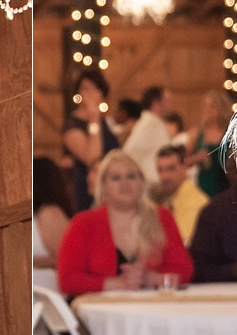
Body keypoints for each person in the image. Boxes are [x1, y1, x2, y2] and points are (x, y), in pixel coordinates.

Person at [57, 149, 193, 297]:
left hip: (153, 309)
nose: (124, 183)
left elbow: (185, 270)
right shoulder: (83, 223)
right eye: (116, 178)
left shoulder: (162, 216)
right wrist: (115, 284)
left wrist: (153, 278)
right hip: (99, 314)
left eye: (131, 176)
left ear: (142, 182)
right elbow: (67, 280)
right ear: (103, 186)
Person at [62, 68, 119, 213]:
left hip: (112, 182)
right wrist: (93, 119)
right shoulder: (73, 124)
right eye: (86, 88)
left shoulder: (104, 120)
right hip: (88, 186)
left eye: (95, 88)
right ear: (79, 92)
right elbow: (92, 158)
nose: (91, 93)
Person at [189, 166, 237, 283]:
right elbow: (197, 269)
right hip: (222, 291)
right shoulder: (213, 212)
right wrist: (233, 270)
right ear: (228, 172)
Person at [151, 145, 209, 245]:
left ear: (184, 167)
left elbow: (183, 244)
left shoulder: (194, 202)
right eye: (160, 170)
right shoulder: (167, 197)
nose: (165, 176)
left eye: (171, 168)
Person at [33, 156, 73, 292]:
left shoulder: (49, 213)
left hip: (48, 290)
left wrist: (30, 262)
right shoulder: (34, 215)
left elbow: (67, 259)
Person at [188, 90, 235, 197]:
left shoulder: (230, 133)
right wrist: (197, 158)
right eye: (205, 106)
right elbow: (184, 161)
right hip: (204, 182)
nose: (208, 110)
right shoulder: (197, 133)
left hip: (224, 182)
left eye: (212, 106)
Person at [122, 86, 172, 183]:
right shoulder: (147, 124)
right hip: (148, 185)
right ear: (156, 103)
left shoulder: (156, 123)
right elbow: (128, 154)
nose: (170, 105)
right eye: (167, 101)